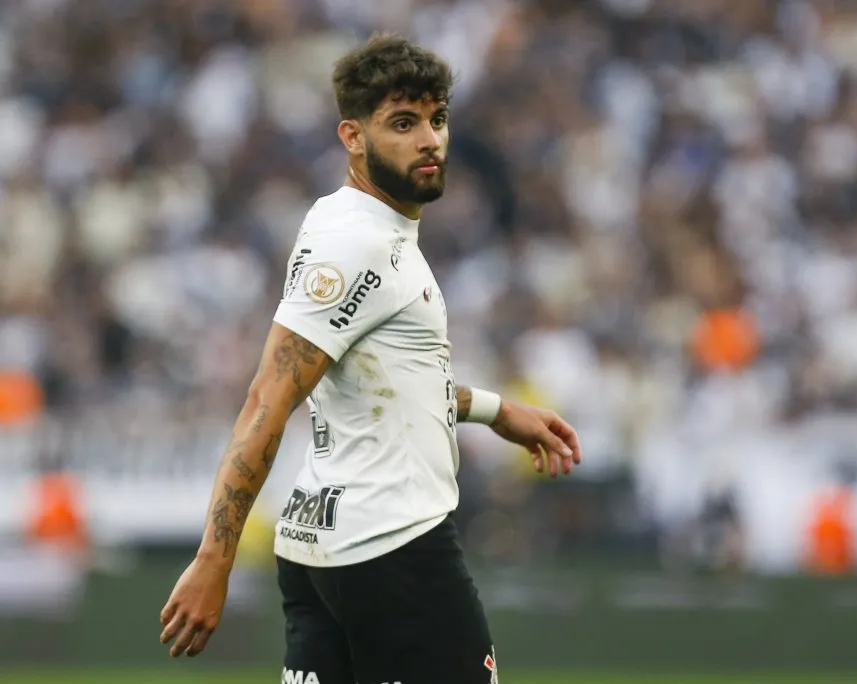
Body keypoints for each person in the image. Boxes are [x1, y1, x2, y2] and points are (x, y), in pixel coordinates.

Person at [158, 34, 582, 684]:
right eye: (403, 124)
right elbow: (266, 399)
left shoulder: (345, 221)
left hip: (318, 550)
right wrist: (214, 557)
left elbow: (386, 377)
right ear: (352, 137)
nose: (430, 140)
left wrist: (496, 411)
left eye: (437, 120)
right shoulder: (361, 246)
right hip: (395, 550)